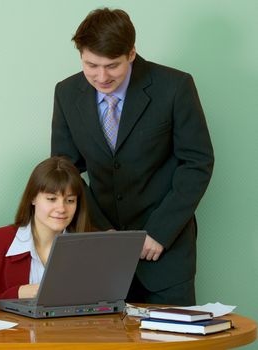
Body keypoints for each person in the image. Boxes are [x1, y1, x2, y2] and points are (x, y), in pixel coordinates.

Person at [51, 8, 214, 305]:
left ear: (131, 53)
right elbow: (65, 171)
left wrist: (159, 232)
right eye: (91, 65)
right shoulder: (66, 93)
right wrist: (102, 231)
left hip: (167, 253)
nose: (101, 76)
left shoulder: (175, 87)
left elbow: (197, 163)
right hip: (101, 253)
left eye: (112, 66)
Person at [0, 156, 91, 299]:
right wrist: (17, 294)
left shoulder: (94, 245)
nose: (61, 208)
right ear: (33, 198)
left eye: (70, 200)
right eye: (52, 199)